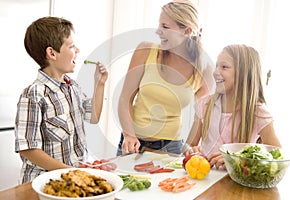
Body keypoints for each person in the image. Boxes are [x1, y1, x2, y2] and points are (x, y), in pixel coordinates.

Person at [14, 16, 108, 183]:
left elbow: (93, 117)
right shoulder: (34, 94)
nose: (77, 50)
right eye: (71, 46)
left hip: (73, 180)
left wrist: (99, 84)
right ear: (52, 53)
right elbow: (28, 148)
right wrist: (72, 171)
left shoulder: (73, 87)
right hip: (44, 184)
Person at [117, 0, 214, 155]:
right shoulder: (146, 51)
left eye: (165, 27)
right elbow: (125, 99)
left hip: (171, 148)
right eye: (159, 25)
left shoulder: (204, 69)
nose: (158, 31)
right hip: (133, 143)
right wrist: (129, 135)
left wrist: (190, 147)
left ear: (187, 31)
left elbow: (201, 118)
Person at [184, 44, 281, 169]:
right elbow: (188, 144)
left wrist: (237, 159)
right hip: (206, 177)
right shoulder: (205, 105)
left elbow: (278, 156)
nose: (216, 72)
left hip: (238, 183)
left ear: (243, 73)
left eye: (224, 67)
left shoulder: (257, 112)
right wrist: (191, 150)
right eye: (216, 66)